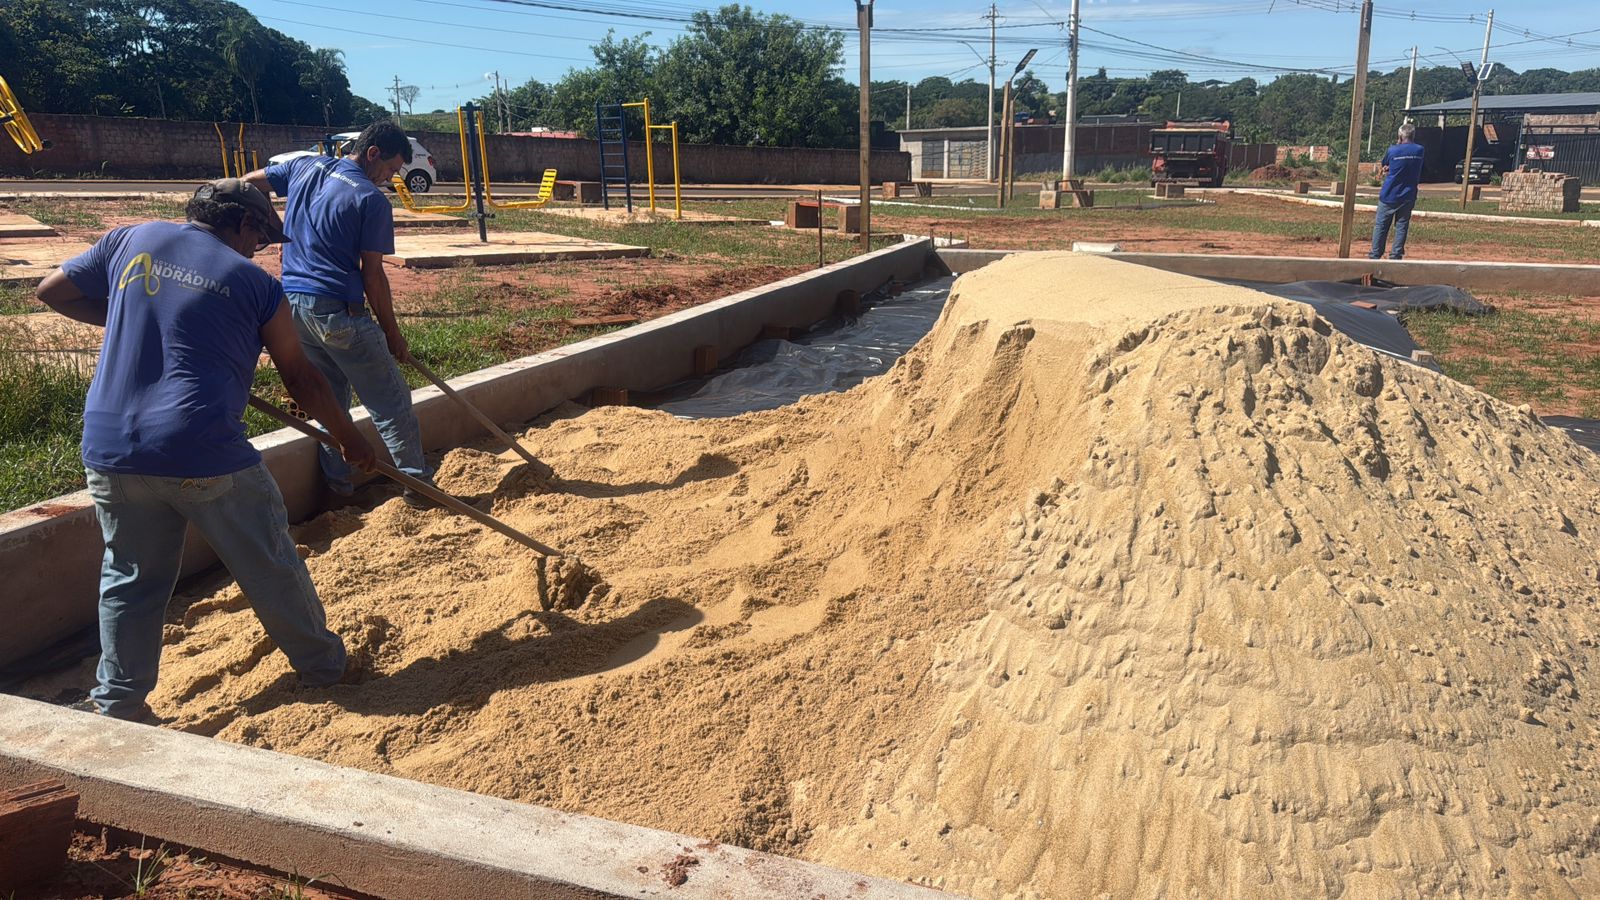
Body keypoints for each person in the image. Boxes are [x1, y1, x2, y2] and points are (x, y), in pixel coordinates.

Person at [35, 179, 377, 723]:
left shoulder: (130, 238)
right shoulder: (255, 285)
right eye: (261, 239)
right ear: (243, 223)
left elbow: (52, 291)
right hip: (200, 447)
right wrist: (349, 437)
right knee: (269, 562)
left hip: (110, 449)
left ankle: (119, 703)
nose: (258, 250)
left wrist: (142, 315)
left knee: (131, 579)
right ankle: (325, 667)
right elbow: (301, 379)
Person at [243, 120, 434, 506]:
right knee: (391, 403)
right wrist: (392, 334)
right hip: (337, 315)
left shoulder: (304, 165)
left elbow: (246, 185)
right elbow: (373, 275)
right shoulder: (371, 200)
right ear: (373, 153)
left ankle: (338, 488)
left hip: (294, 310)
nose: (389, 178)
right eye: (391, 169)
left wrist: (277, 230)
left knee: (329, 404)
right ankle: (419, 488)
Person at [1370, 122, 1426, 260]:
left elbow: (1385, 163)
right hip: (1408, 194)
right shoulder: (1420, 150)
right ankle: (1395, 256)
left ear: (1400, 137)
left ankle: (1375, 255)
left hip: (1389, 194)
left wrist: (1390, 166)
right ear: (1413, 136)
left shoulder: (1393, 150)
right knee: (1401, 226)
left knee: (1381, 226)